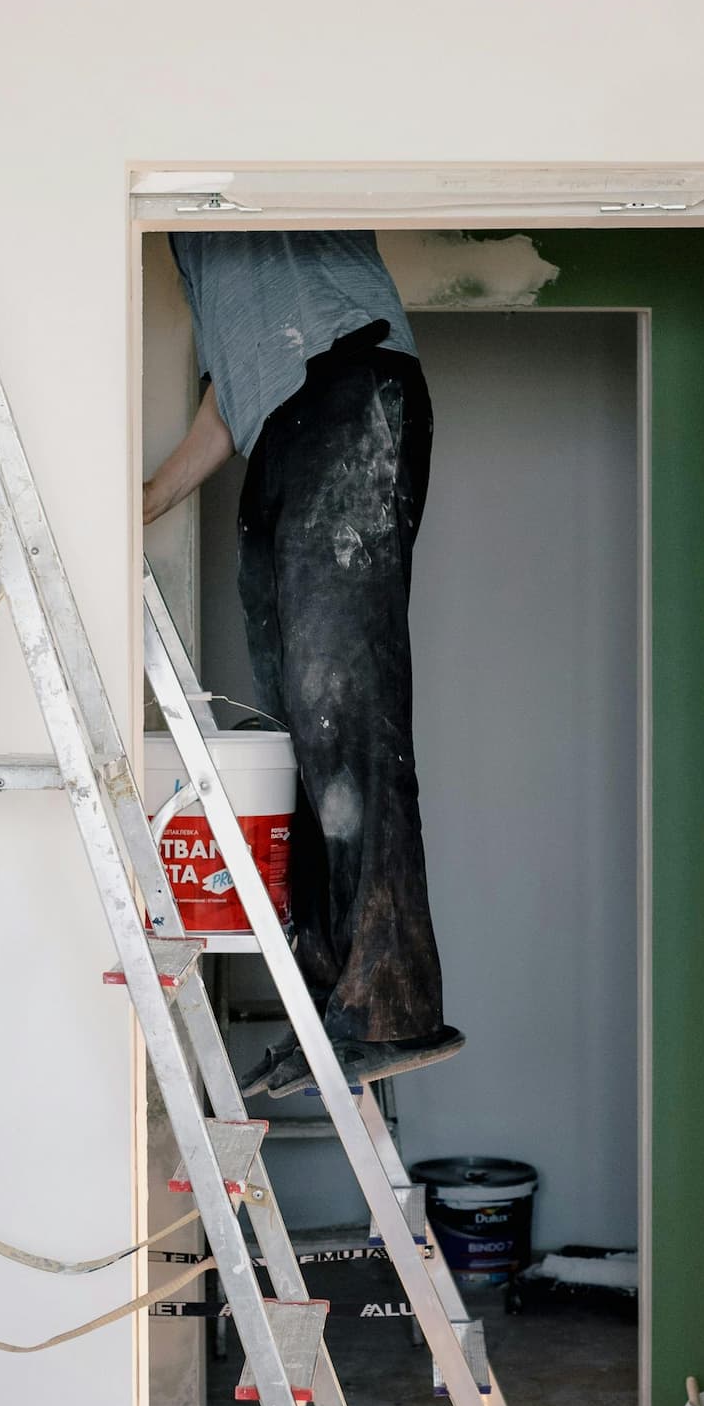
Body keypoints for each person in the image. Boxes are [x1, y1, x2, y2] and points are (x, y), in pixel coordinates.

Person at [143, 230, 463, 1098]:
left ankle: (392, 1006)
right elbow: (229, 398)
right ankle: (337, 1009)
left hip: (346, 390)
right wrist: (145, 502)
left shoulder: (247, 176)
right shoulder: (187, 242)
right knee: (306, 733)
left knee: (345, 713)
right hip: (278, 430)